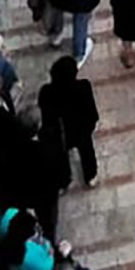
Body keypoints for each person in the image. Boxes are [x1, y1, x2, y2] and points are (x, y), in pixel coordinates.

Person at [39, 53, 100, 189]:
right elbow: (91, 111)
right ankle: (90, 175)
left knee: (61, 156)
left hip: (60, 133)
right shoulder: (83, 87)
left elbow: (46, 116)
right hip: (81, 130)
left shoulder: (46, 92)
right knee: (87, 151)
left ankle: (64, 180)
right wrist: (91, 125)